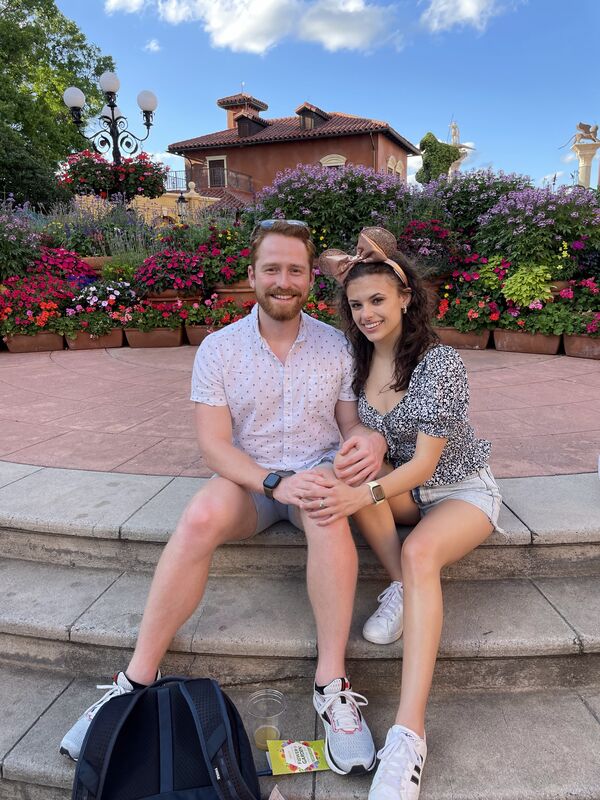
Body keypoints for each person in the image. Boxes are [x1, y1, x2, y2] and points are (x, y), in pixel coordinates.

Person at [60, 220, 389, 777]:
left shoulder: (337, 345)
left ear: (310, 278)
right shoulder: (219, 349)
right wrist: (273, 482)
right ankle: (134, 681)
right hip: (251, 480)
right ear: (252, 276)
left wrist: (369, 440)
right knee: (198, 516)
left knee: (328, 512)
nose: (283, 281)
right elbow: (214, 447)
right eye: (272, 269)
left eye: (295, 270)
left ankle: (331, 686)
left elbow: (349, 422)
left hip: (315, 471)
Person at [308, 228, 502, 800]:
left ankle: (408, 735)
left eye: (377, 300)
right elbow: (361, 439)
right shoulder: (358, 360)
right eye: (356, 305)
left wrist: (362, 497)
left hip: (460, 491)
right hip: (402, 492)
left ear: (405, 298)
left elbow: (423, 465)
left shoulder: (440, 363)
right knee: (347, 469)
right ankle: (398, 587)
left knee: (420, 553)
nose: (367, 314)